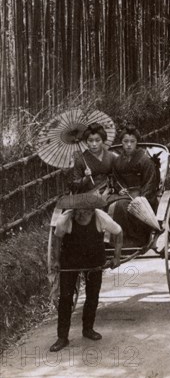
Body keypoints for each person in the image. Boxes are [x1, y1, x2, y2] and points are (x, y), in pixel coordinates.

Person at [49, 197, 122, 352]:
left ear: (91, 210)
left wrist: (116, 256)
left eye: (87, 211)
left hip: (94, 260)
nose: (83, 214)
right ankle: (62, 337)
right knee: (66, 298)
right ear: (75, 211)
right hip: (70, 260)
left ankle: (88, 329)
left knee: (92, 295)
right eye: (80, 212)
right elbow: (57, 239)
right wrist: (56, 260)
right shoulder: (65, 219)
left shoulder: (100, 216)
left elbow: (118, 231)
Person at [110, 125, 160, 246]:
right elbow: (116, 179)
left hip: (143, 193)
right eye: (125, 141)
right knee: (113, 205)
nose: (128, 145)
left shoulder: (145, 160)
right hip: (125, 193)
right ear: (121, 142)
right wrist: (119, 189)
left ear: (137, 142)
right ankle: (119, 239)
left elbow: (150, 181)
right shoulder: (117, 161)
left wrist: (142, 197)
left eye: (132, 141)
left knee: (124, 205)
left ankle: (137, 239)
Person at [71, 123, 117, 193]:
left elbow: (117, 177)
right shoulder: (80, 160)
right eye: (90, 140)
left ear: (103, 140)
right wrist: (86, 178)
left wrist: (113, 188)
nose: (94, 144)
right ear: (86, 141)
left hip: (108, 192)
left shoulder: (111, 156)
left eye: (98, 140)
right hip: (88, 195)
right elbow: (74, 185)